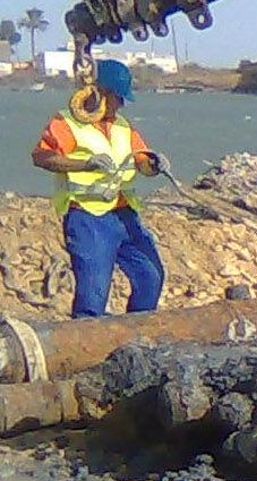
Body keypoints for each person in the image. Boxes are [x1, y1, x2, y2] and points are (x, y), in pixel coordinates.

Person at [31, 60, 169, 319]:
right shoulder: (67, 123)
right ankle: (85, 344)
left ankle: (135, 333)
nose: (122, 105)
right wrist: (85, 164)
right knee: (93, 294)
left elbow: (141, 160)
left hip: (124, 214)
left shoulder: (122, 126)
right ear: (99, 93)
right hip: (87, 218)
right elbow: (41, 157)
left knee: (150, 275)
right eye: (118, 98)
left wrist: (154, 164)